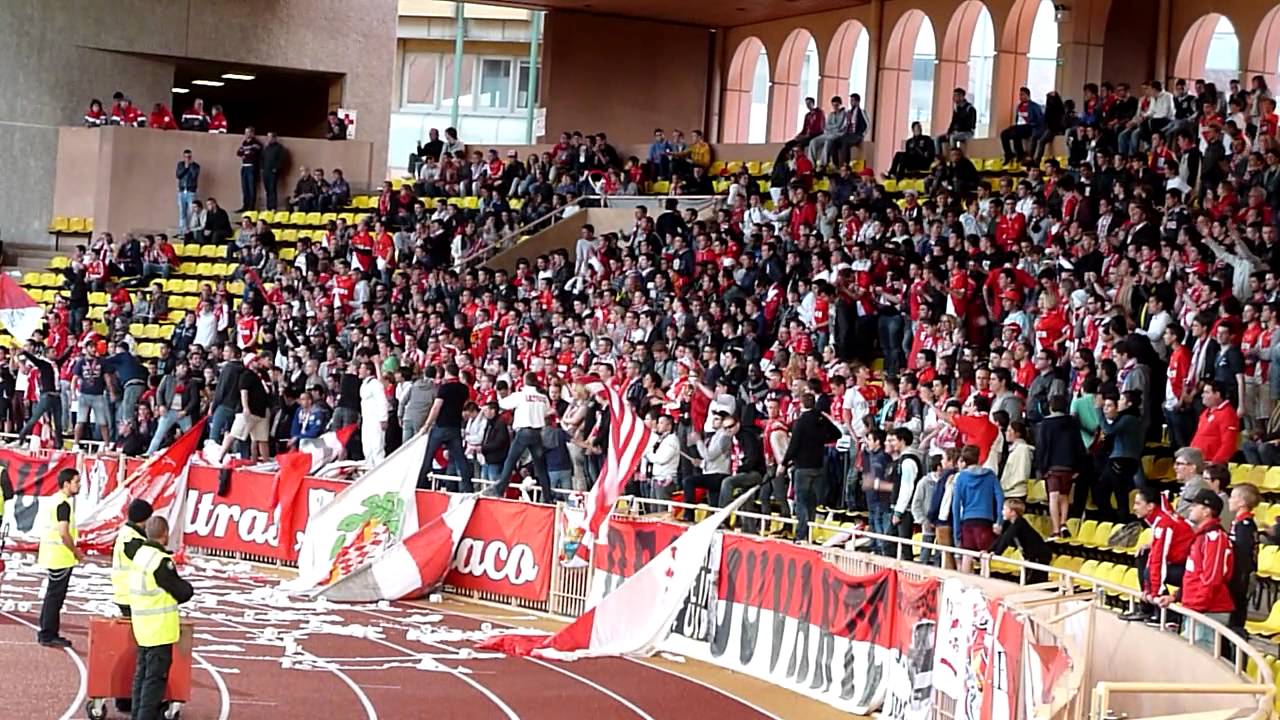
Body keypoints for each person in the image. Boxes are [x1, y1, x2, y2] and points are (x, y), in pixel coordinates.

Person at [127, 516, 193, 720]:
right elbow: (182, 592)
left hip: (142, 626)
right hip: (159, 629)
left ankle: (137, 715)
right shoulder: (160, 561)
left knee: (141, 677)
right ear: (165, 534)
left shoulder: (140, 555)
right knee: (154, 681)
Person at [1154, 489, 1234, 650]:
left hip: (1206, 611)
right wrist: (1176, 596)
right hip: (1196, 608)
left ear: (1206, 510)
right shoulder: (1202, 537)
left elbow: (1212, 578)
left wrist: (1196, 607)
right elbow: (1195, 575)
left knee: (1201, 665)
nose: (1190, 509)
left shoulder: (1214, 537)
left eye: (1194, 505)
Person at [1123, 487, 1193, 623]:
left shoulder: (1164, 523)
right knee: (1144, 555)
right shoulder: (1159, 520)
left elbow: (1158, 559)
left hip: (1190, 569)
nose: (1134, 508)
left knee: (1150, 570)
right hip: (1180, 563)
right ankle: (1148, 609)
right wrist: (1148, 589)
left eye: (1138, 504)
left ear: (1150, 506)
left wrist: (1154, 592)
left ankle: (1166, 614)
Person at [779, 392, 841, 542]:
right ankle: (810, 534)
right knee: (812, 502)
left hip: (803, 467)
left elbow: (793, 446)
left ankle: (801, 535)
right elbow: (836, 433)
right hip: (818, 466)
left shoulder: (800, 422)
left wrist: (783, 463)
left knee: (801, 502)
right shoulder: (820, 419)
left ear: (801, 404)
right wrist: (821, 440)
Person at [487, 372, 553, 501]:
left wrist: (499, 395)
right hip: (537, 433)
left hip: (524, 432)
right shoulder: (543, 397)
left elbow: (503, 404)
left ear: (524, 381)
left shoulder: (520, 395)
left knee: (510, 461)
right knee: (541, 467)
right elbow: (547, 411)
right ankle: (548, 496)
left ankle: (499, 489)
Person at [37, 468, 83, 648]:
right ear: (66, 484)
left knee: (52, 595)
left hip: (52, 554)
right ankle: (48, 633)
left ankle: (47, 630)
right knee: (55, 597)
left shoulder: (55, 500)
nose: (78, 485)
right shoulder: (63, 504)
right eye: (76, 482)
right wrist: (76, 551)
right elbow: (64, 533)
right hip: (60, 556)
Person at [1035, 394, 1089, 537]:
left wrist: (1041, 467)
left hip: (1052, 466)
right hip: (1069, 466)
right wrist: (1079, 467)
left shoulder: (1046, 424)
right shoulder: (1072, 423)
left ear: (1051, 407)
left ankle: (1056, 529)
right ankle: (1064, 523)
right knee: (1064, 496)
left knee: (1053, 497)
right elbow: (1079, 445)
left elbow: (1042, 447)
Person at [417, 363, 474, 492]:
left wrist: (427, 425)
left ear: (447, 373)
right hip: (455, 427)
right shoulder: (464, 389)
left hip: (441, 426)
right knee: (460, 458)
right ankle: (468, 488)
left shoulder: (444, 388)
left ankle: (420, 486)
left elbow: (436, 407)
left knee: (428, 456)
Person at [951, 443, 1002, 573]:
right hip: (986, 520)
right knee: (985, 556)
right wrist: (999, 521)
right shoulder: (990, 475)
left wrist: (957, 531)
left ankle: (965, 586)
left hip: (967, 520)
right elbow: (1000, 497)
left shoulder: (961, 477)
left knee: (967, 555)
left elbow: (956, 506)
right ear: (979, 457)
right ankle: (985, 585)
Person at [989, 498, 1052, 583]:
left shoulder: (1019, 523)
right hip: (1031, 556)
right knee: (1029, 579)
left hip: (1039, 556)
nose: (1002, 512)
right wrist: (990, 550)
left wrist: (996, 552)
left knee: (1034, 581)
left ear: (1013, 512)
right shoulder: (1012, 524)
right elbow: (1002, 537)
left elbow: (1007, 538)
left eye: (1004, 509)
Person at [1226, 483, 1259, 639]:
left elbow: (1243, 556)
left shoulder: (1245, 526)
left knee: (1237, 615)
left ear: (1242, 502)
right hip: (1237, 576)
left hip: (1241, 577)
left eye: (1233, 497)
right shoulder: (1239, 523)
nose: (1230, 500)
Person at [1190, 380, 1241, 466]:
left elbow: (1229, 444)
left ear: (1217, 394)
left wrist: (1215, 464)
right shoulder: (1205, 413)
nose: (1202, 395)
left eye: (1206, 392)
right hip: (1197, 462)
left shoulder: (1227, 414)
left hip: (1210, 465)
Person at [887, 427, 923, 545]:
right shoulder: (902, 459)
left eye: (894, 440)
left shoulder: (908, 462)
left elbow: (907, 488)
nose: (892, 444)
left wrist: (898, 512)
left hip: (905, 511)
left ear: (902, 441)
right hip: (900, 508)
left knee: (902, 545)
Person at [1000, 87, 1044, 164]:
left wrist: (1032, 125)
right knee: (1004, 134)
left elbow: (1039, 120)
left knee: (1015, 133)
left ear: (1028, 95)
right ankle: (1009, 154)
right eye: (1020, 95)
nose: (1020, 97)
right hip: (1019, 127)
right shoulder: (1019, 106)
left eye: (1022, 95)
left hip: (1029, 127)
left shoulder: (1035, 106)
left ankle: (1020, 153)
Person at [358, 361, 388, 464]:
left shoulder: (375, 384)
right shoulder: (364, 385)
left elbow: (382, 401)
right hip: (366, 420)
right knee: (367, 447)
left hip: (376, 421)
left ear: (368, 371)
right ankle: (369, 469)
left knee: (377, 447)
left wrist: (383, 418)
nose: (359, 370)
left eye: (362, 368)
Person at [938, 87, 978, 154]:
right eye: (953, 95)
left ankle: (955, 155)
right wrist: (949, 132)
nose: (953, 98)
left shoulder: (970, 109)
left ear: (961, 96)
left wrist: (957, 131)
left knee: (953, 138)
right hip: (957, 132)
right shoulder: (957, 109)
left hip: (968, 132)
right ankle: (939, 158)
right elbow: (953, 122)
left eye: (956, 95)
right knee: (938, 139)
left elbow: (970, 125)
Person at [235, 126, 263, 212]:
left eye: (248, 132)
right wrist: (246, 153)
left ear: (252, 133)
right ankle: (245, 206)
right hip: (244, 167)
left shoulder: (256, 143)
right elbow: (238, 152)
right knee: (244, 187)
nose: (246, 134)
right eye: (245, 132)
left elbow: (253, 154)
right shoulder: (244, 143)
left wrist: (246, 153)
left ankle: (251, 207)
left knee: (251, 188)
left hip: (252, 167)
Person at [175, 149, 199, 237]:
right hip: (181, 191)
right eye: (185, 157)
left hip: (191, 191)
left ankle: (189, 229)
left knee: (190, 211)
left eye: (189, 157)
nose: (187, 159)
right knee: (182, 211)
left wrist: (190, 166)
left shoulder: (196, 166)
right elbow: (178, 175)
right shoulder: (180, 165)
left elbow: (194, 176)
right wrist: (185, 167)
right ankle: (182, 230)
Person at [261, 132, 285, 212]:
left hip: (273, 172)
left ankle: (273, 207)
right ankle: (268, 206)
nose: (269, 139)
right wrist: (262, 168)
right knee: (267, 190)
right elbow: (262, 158)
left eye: (270, 137)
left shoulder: (279, 148)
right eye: (268, 137)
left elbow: (281, 159)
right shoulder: (266, 148)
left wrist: (276, 168)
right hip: (265, 171)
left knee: (272, 189)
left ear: (274, 138)